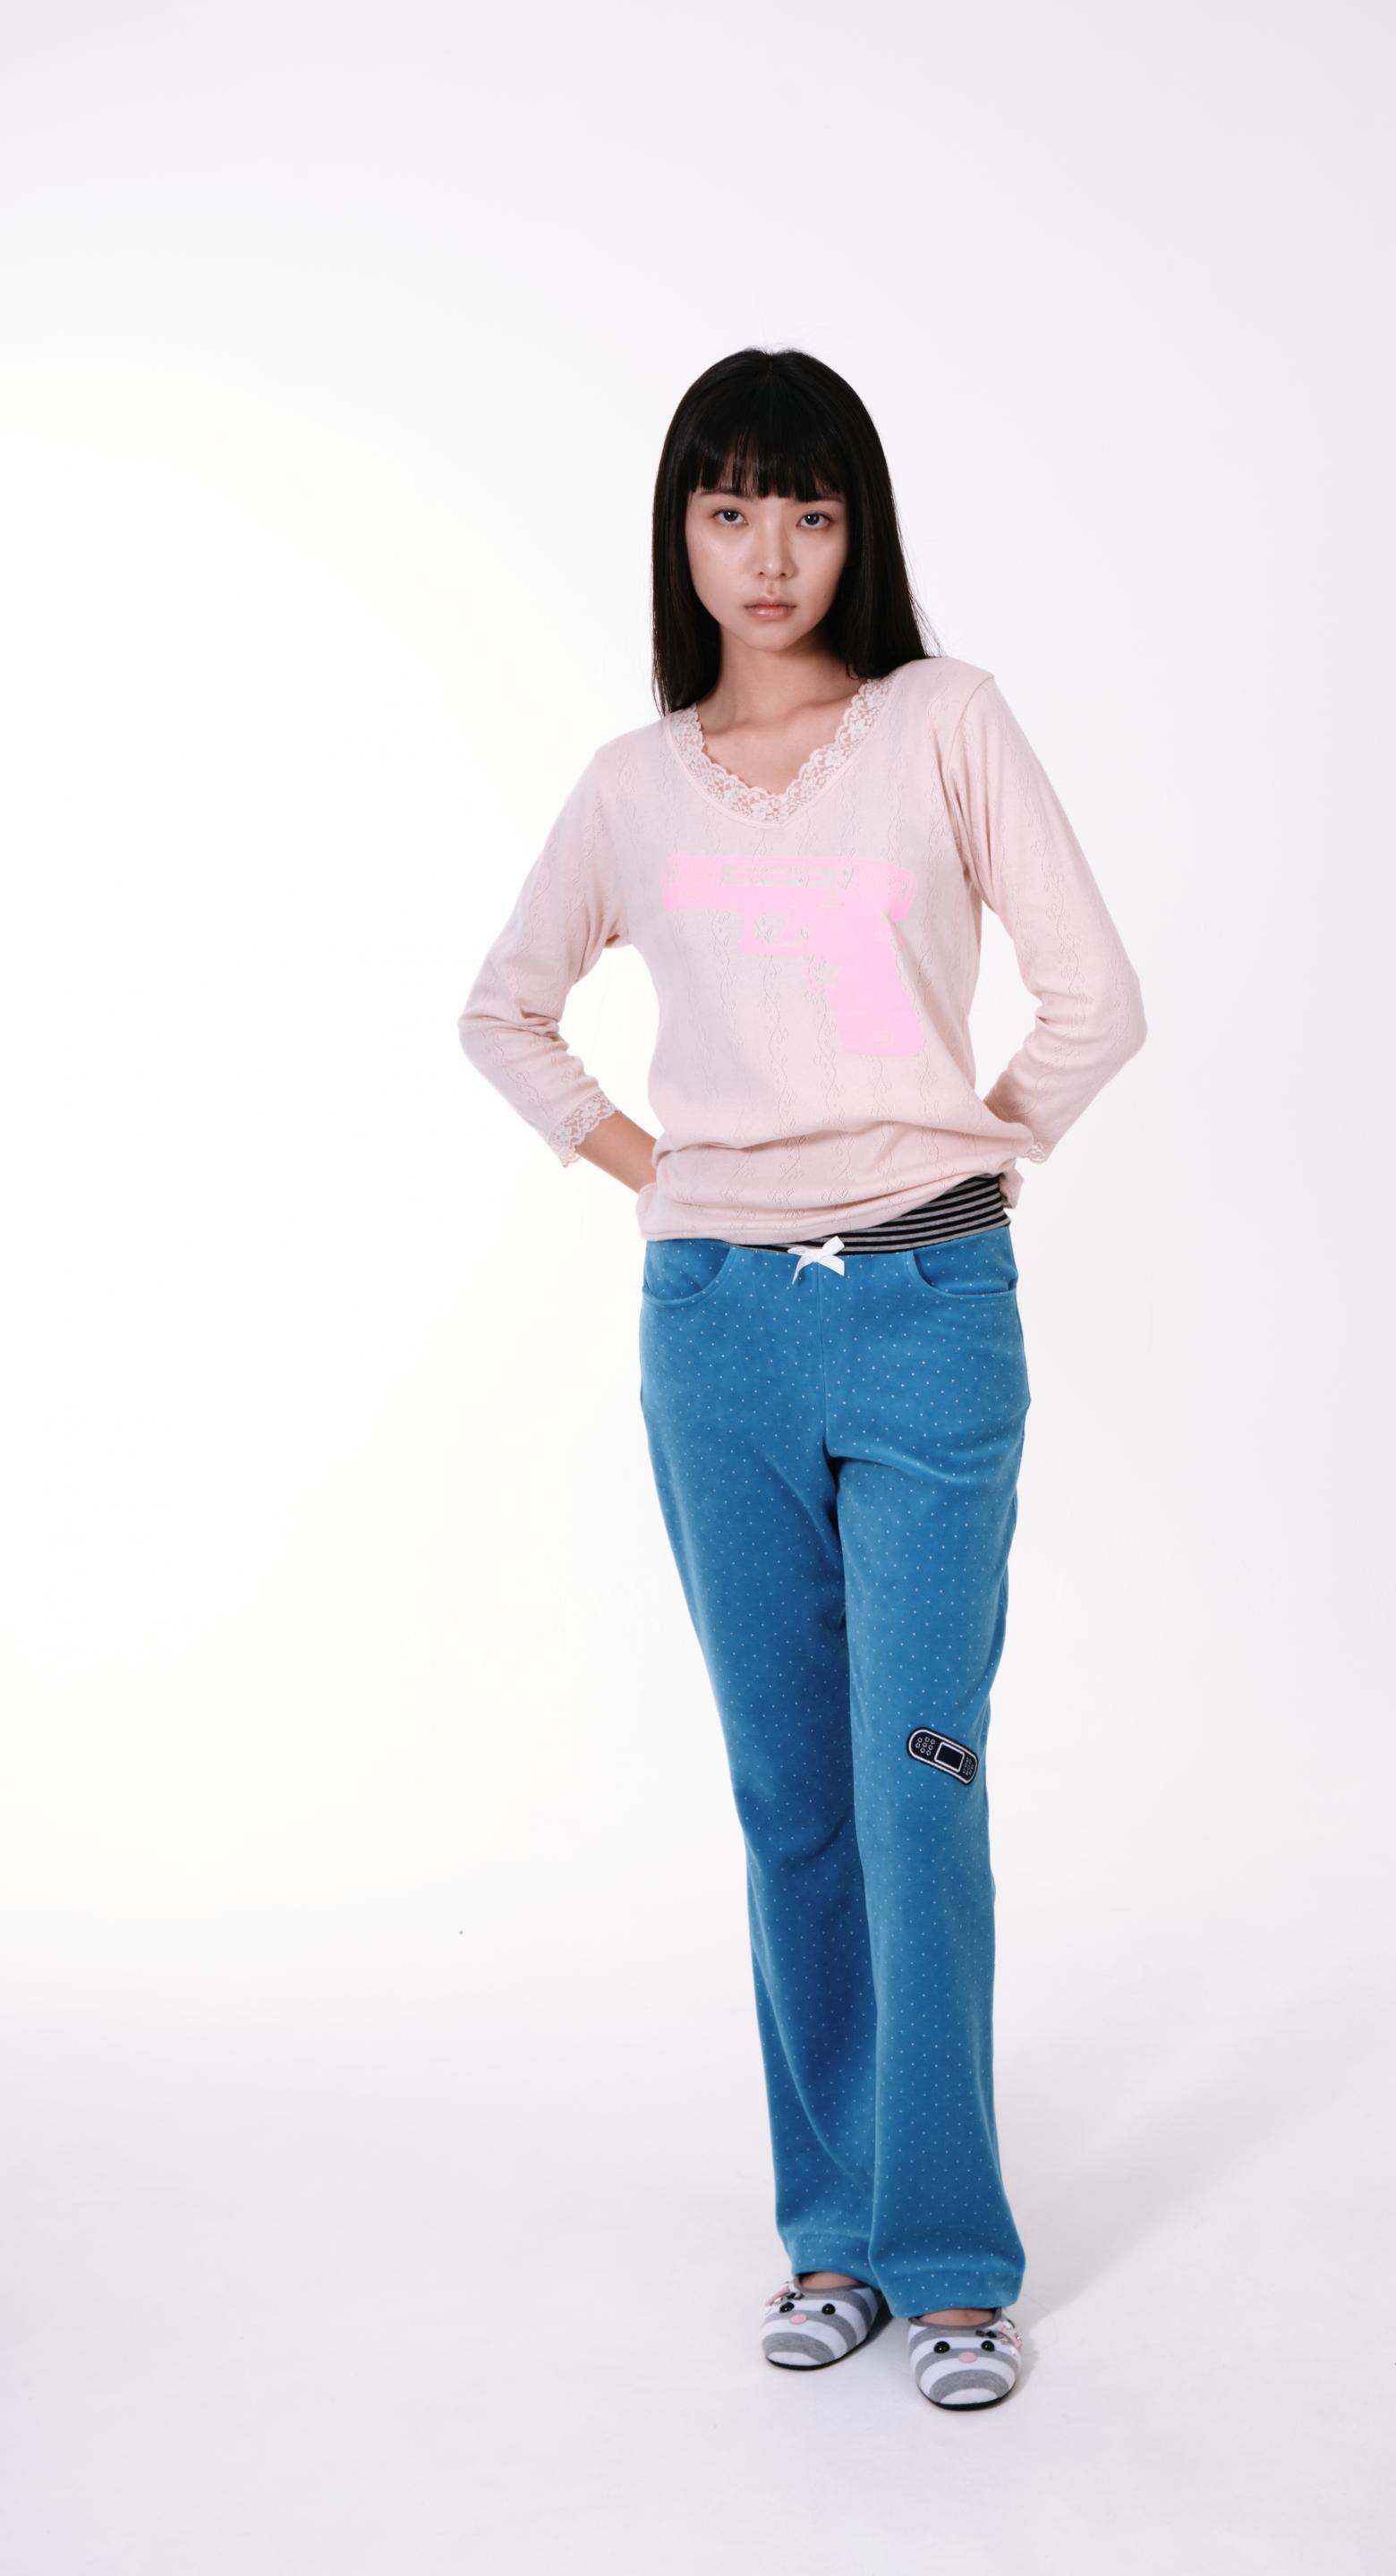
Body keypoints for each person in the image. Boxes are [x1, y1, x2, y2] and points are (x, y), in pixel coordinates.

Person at [456, 346, 1147, 2410]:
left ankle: (951, 2259)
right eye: (732, 508)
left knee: (916, 1787)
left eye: (813, 510)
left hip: (930, 1313)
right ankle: (831, 2238)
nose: (772, 554)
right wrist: (661, 1174)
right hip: (717, 1333)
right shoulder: (632, 784)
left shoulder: (946, 723)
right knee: (792, 1806)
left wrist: (964, 1151)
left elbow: (1098, 1000)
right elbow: (503, 1014)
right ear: (682, 531)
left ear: (864, 531)